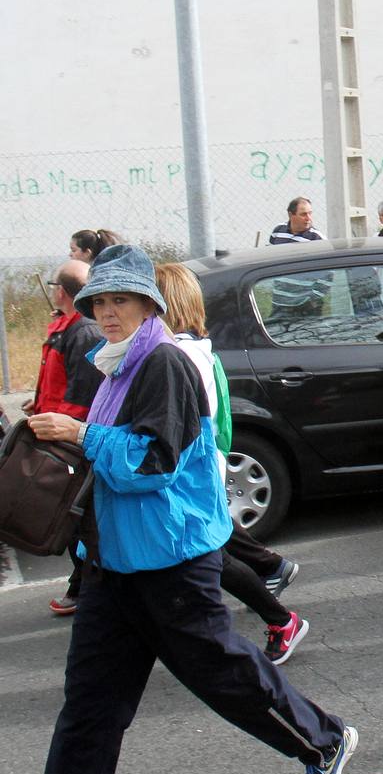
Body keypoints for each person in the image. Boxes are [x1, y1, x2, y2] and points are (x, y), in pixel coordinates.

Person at [7, 245, 357, 774]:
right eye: (100, 302)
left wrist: (79, 433)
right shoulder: (115, 363)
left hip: (171, 560)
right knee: (89, 697)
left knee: (222, 675)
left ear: (150, 305)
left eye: (122, 300)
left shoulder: (163, 361)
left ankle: (324, 742)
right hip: (115, 564)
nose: (109, 313)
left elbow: (151, 462)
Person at [156, 262, 311, 662]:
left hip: (189, 472)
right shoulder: (188, 350)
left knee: (208, 556)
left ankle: (278, 616)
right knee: (208, 552)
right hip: (196, 470)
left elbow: (188, 421)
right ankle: (273, 589)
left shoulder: (178, 355)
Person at [23, 260, 103, 616]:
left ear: (61, 290)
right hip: (56, 429)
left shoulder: (82, 331)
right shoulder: (64, 328)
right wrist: (38, 404)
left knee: (74, 515)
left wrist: (53, 423)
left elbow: (81, 396)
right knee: (74, 516)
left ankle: (85, 584)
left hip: (69, 438)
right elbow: (59, 382)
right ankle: (85, 582)